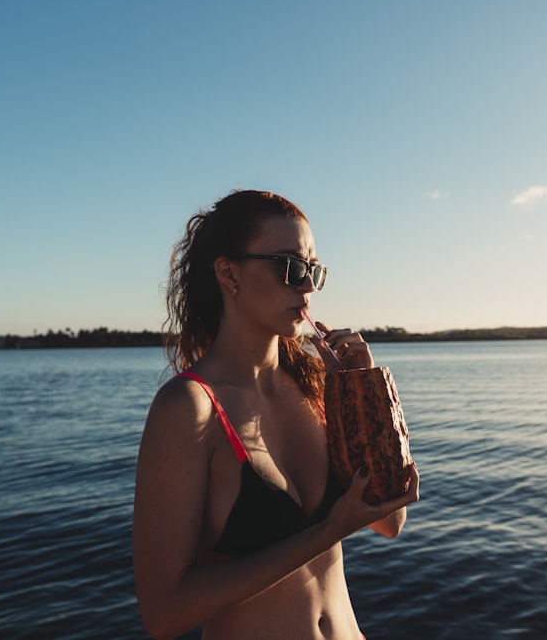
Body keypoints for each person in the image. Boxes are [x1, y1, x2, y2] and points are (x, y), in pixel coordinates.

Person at [132, 190, 420, 640]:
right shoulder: (189, 408)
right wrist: (326, 533)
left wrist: (365, 394)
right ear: (229, 273)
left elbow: (390, 519)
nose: (306, 284)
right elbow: (164, 614)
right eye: (290, 266)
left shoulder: (316, 388)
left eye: (314, 270)